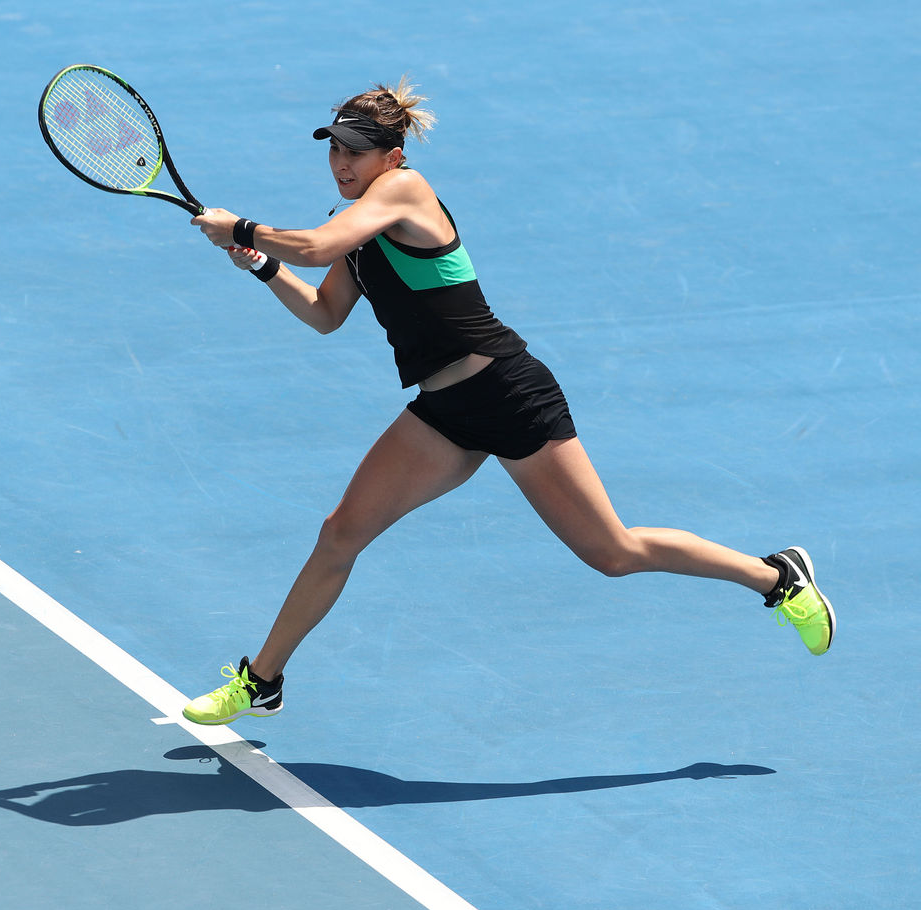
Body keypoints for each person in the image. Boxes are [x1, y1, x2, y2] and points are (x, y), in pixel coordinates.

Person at [182, 79, 835, 726]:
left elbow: (318, 245)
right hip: (444, 413)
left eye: (356, 150)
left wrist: (242, 225)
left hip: (508, 393)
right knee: (339, 533)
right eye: (334, 149)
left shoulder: (404, 193)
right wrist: (260, 265)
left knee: (613, 552)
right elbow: (325, 314)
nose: (342, 163)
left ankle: (777, 577)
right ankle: (261, 680)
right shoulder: (352, 227)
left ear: (393, 157)